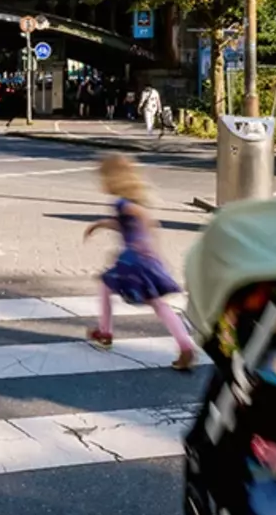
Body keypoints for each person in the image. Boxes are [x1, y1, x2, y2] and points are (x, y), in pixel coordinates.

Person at [84, 154, 196, 370]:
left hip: (133, 258)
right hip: (146, 258)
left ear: (112, 179)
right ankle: (185, 344)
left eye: (104, 178)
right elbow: (128, 224)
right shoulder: (129, 203)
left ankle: (105, 333)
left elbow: (141, 217)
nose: (102, 183)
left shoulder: (122, 203)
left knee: (106, 287)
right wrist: (100, 225)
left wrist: (137, 241)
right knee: (156, 302)